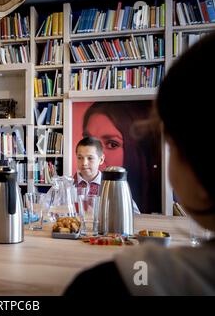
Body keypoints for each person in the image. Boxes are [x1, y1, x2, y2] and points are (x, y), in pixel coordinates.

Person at [66, 32, 215, 295]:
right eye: (81, 155)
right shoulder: (68, 185)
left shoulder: (117, 283)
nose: (86, 162)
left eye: (112, 144)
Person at [81, 101, 161, 214]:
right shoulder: (76, 186)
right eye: (88, 141)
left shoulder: (122, 192)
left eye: (112, 144)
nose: (94, 154)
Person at [74, 136, 140, 214]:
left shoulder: (113, 186)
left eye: (90, 158)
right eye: (80, 158)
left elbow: (135, 214)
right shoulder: (67, 185)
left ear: (101, 159)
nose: (84, 163)